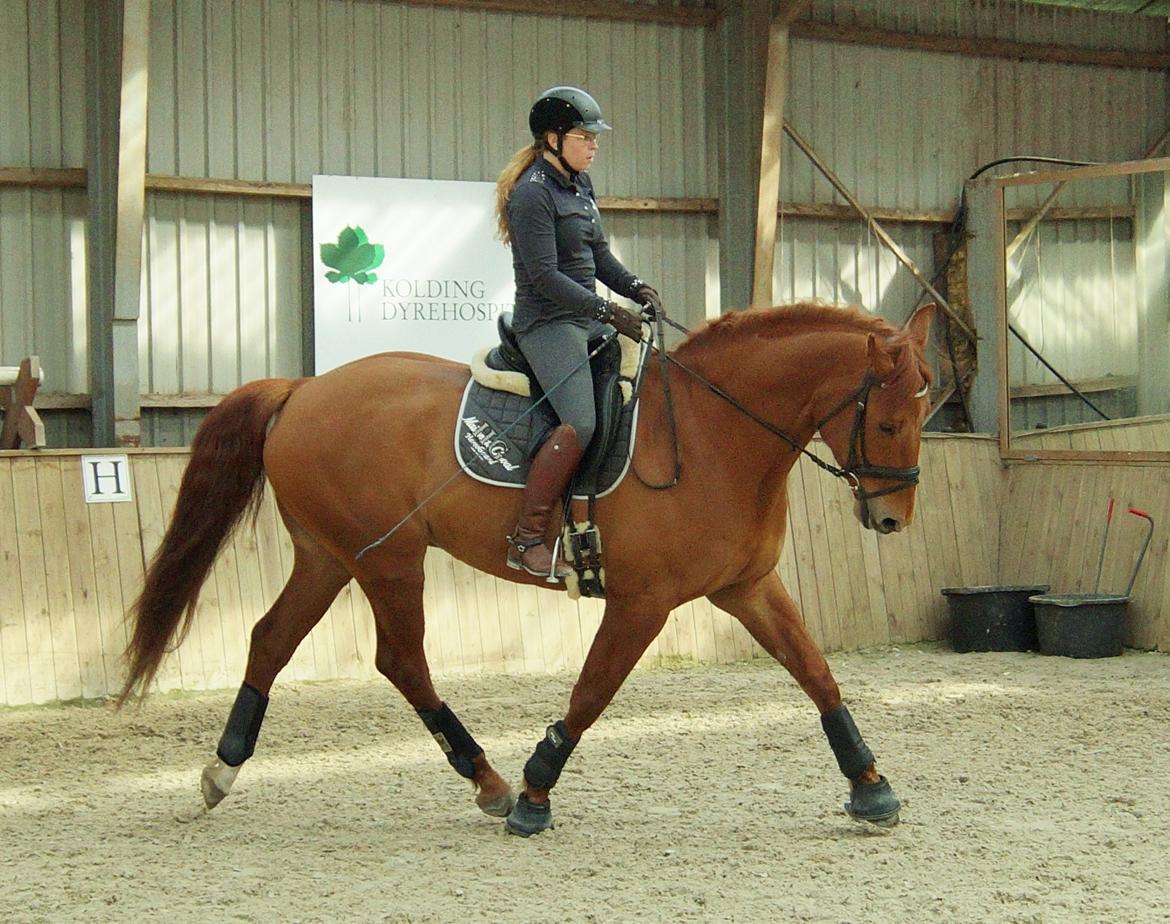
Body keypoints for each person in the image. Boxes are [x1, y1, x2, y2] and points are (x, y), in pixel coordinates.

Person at [494, 85, 662, 581]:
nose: (593, 146)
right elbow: (546, 277)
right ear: (553, 138)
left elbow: (598, 258)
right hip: (546, 323)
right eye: (584, 137)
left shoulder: (579, 188)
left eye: (595, 139)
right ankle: (526, 538)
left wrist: (635, 286)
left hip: (583, 316)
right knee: (581, 423)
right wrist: (609, 312)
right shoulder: (531, 195)